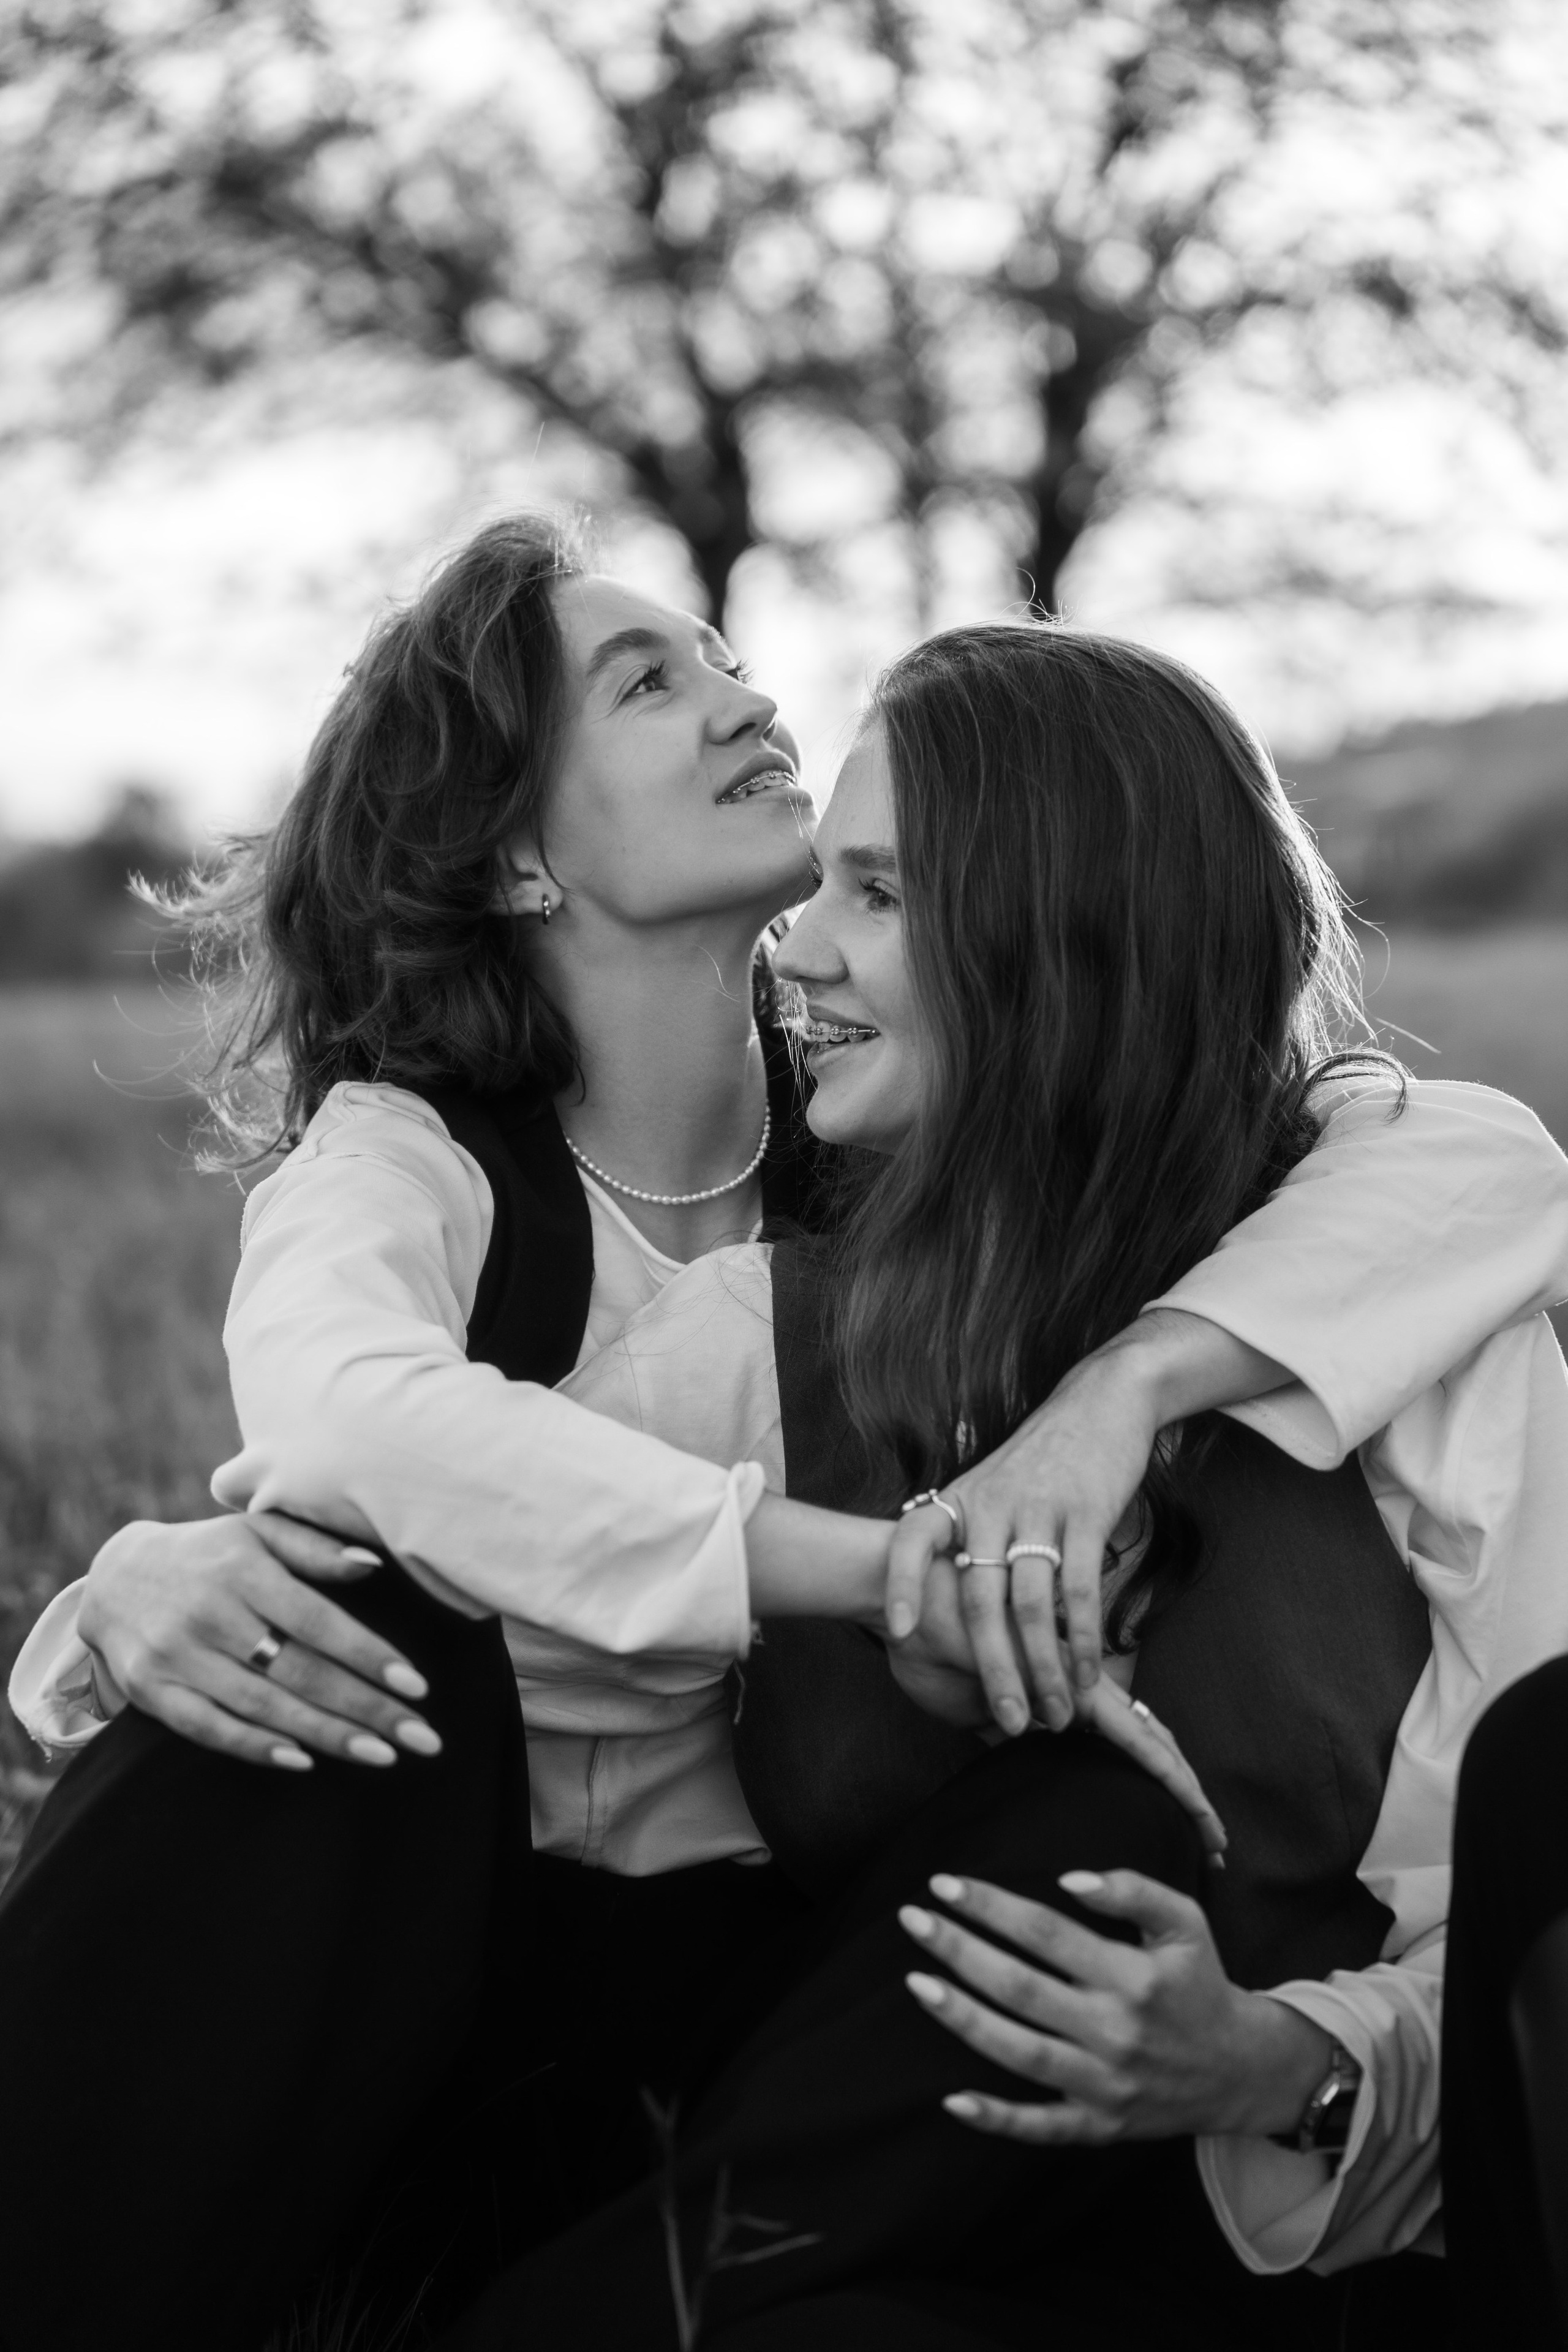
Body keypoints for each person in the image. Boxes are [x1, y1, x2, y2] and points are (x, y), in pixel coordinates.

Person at [2, 541, 1565, 2346]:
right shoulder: (440, 1170)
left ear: (1047, 943)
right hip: (448, 1985)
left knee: (1081, 1812)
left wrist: (1108, 1401)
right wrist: (124, 1583)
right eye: (649, 683)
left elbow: (1470, 1165)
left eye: (880, 891)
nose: (745, 697)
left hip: (792, 2020)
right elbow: (363, 1431)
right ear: (516, 853)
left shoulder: (929, 1204)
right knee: (335, 1643)